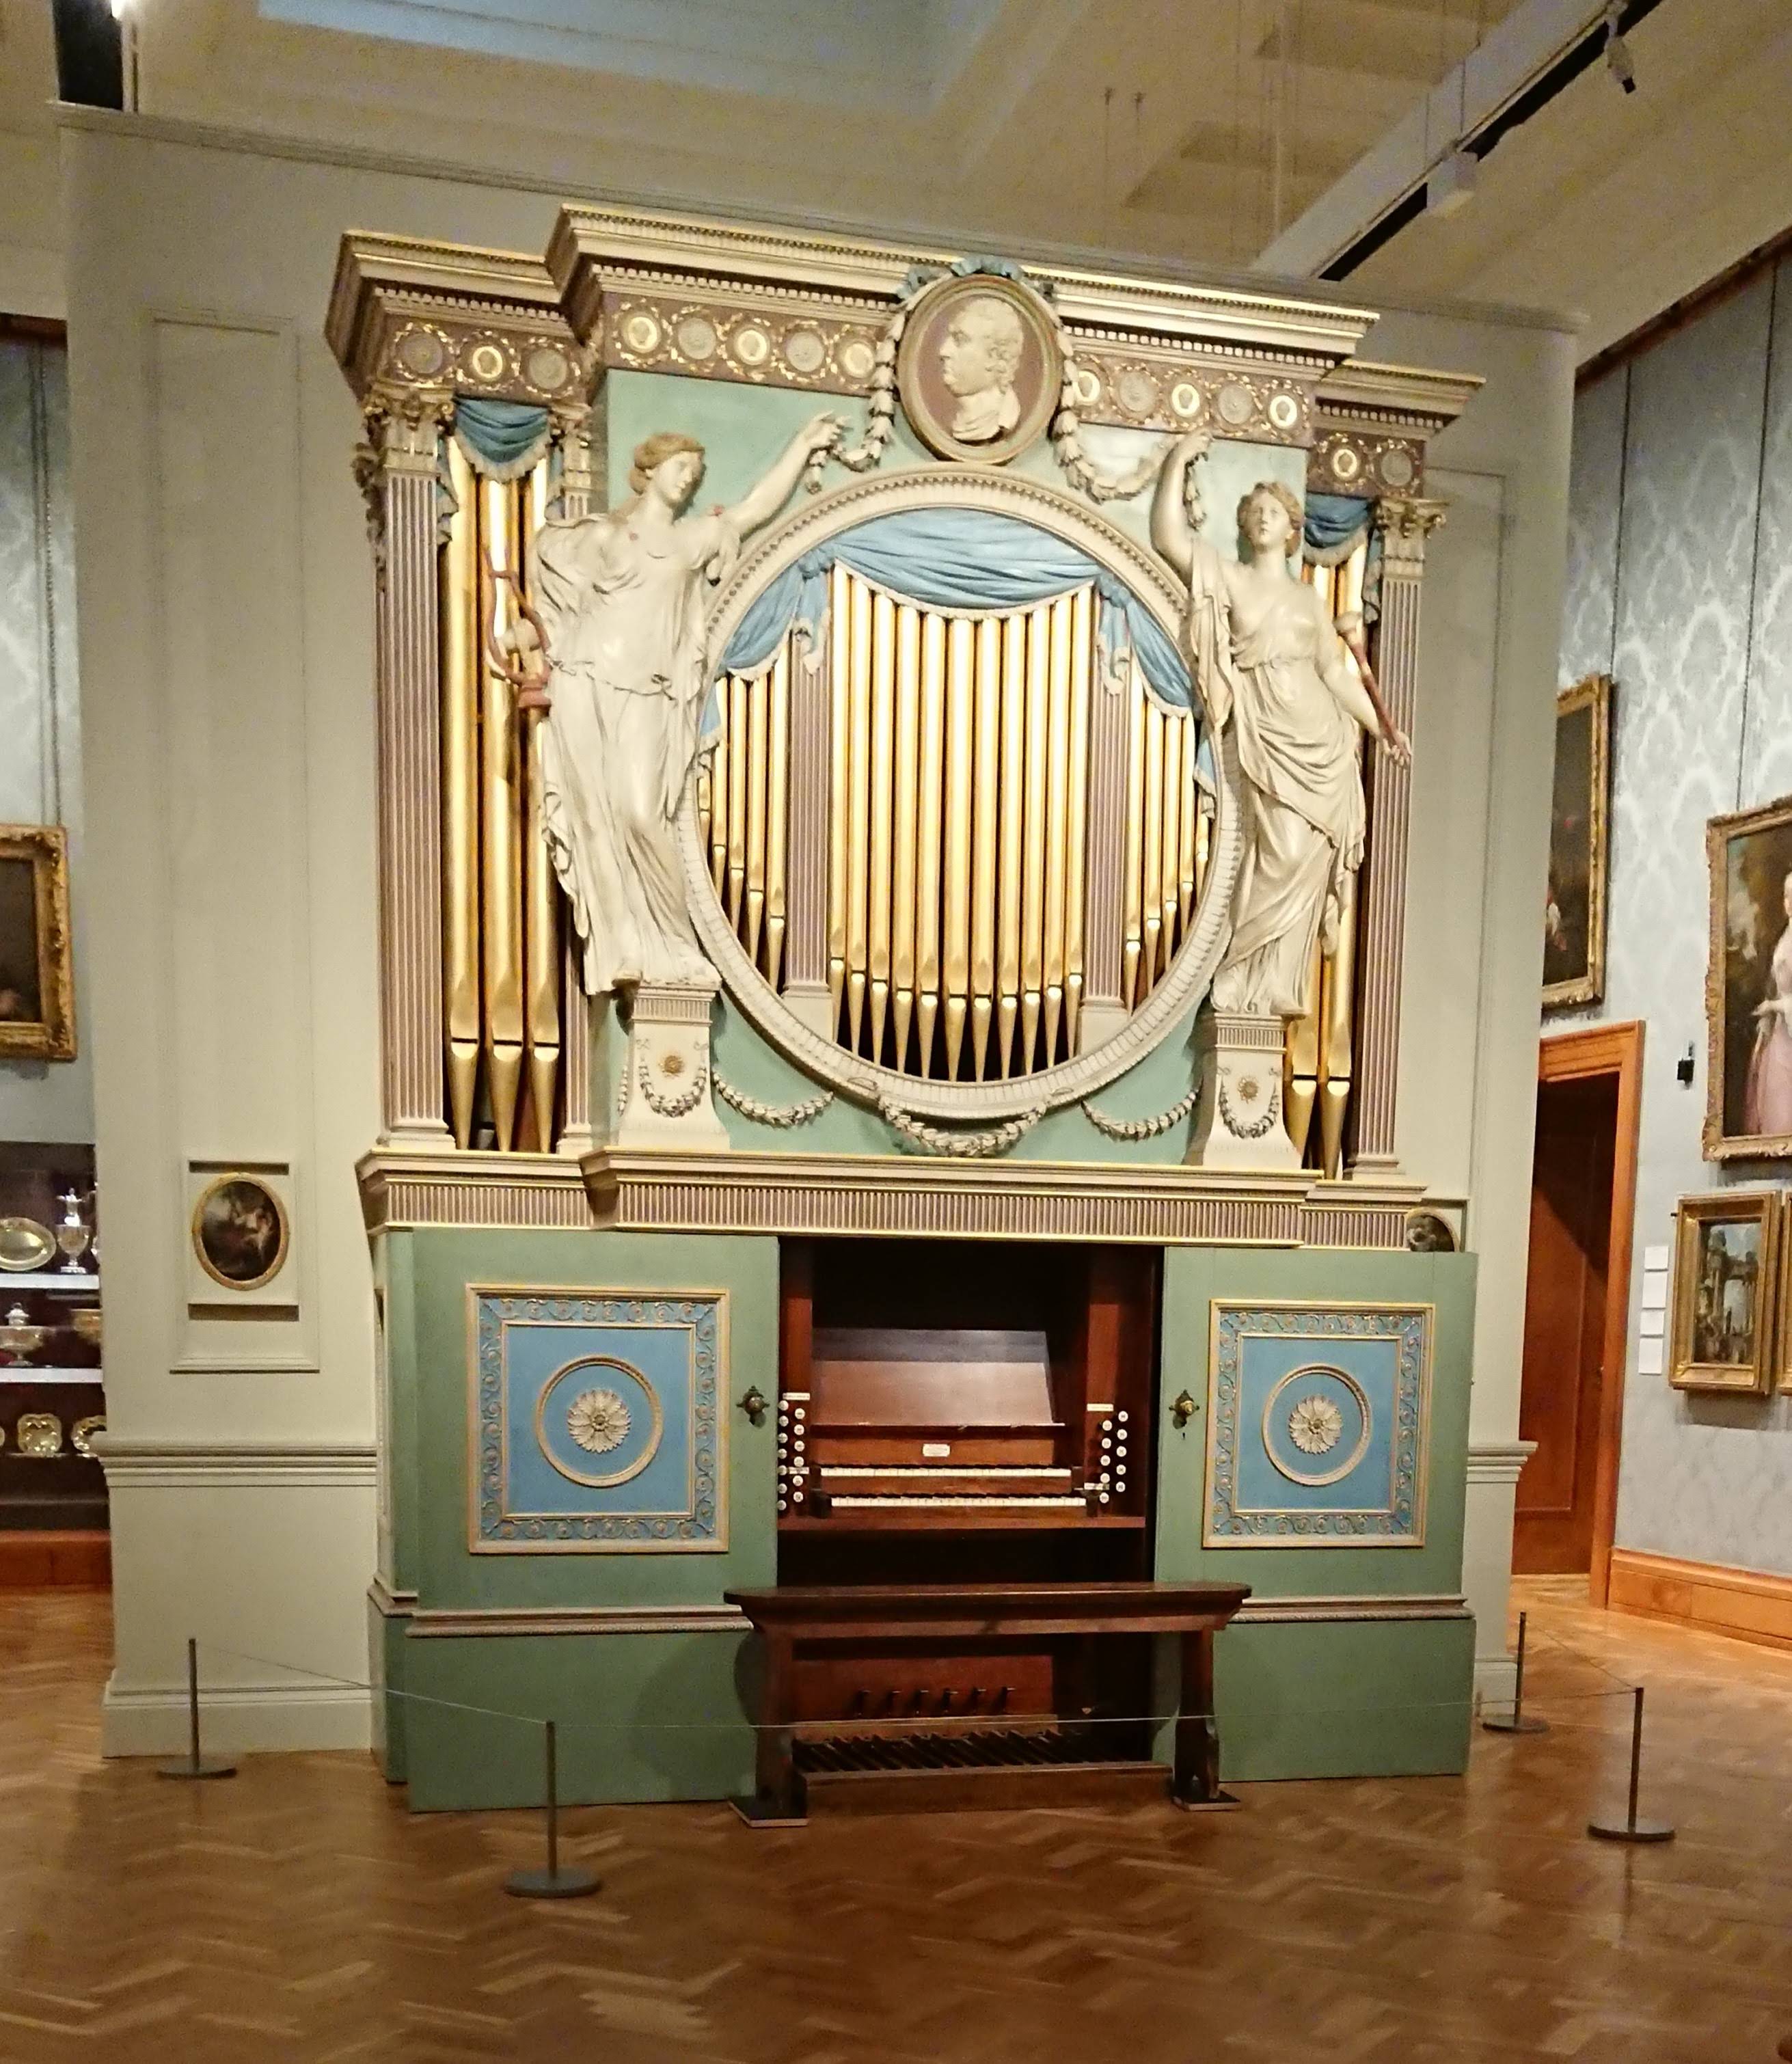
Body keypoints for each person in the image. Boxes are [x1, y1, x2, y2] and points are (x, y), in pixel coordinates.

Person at [534, 414, 841, 996]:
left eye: (696, 474)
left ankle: (672, 943)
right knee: (600, 819)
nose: (688, 481)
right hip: (592, 683)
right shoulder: (600, 538)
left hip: (651, 693)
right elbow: (545, 576)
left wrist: (801, 446)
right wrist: (532, 637)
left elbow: (753, 510)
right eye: (680, 469)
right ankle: (626, 944)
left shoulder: (689, 539)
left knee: (644, 814)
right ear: (648, 472)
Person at [1151, 431, 1409, 1019]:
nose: (1265, 519)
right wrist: (1175, 463)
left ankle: (1275, 988)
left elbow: (1338, 676)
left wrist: (1383, 731)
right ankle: (1242, 978)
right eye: (1256, 512)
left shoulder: (1309, 602)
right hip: (1265, 730)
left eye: (1275, 512)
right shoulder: (1231, 578)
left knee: (1303, 858)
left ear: (1294, 529)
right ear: (1246, 526)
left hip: (1316, 734)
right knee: (1275, 855)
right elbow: (1169, 537)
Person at [937, 295, 1024, 445]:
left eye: (960, 340)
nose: (943, 351)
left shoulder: (1002, 420)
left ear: (994, 356)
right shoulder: (961, 421)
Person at [1743, 868, 1792, 1137]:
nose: (1789, 902)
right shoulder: (1784, 937)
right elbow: (1776, 986)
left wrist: (1774, 1007)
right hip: (1780, 1033)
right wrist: (1769, 1012)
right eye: (1786, 896)